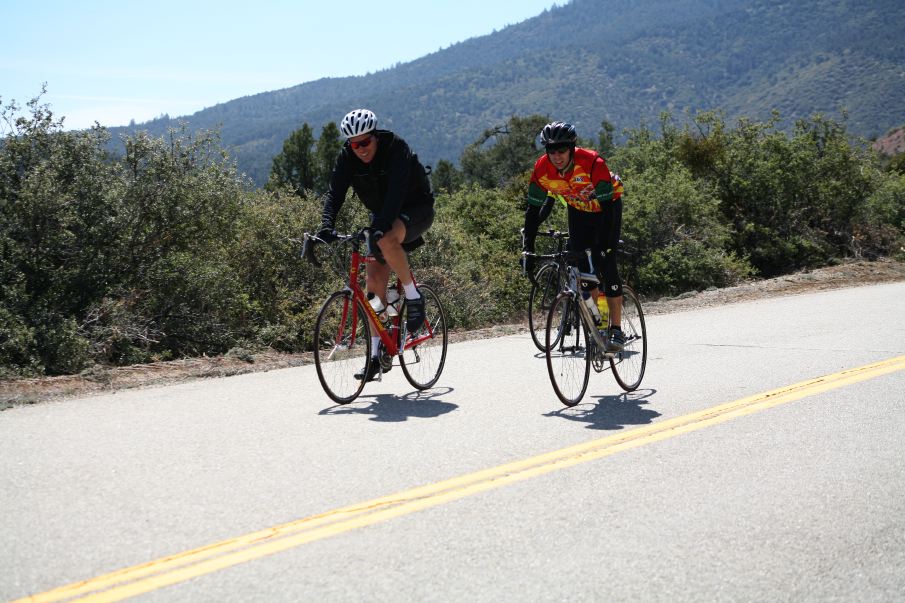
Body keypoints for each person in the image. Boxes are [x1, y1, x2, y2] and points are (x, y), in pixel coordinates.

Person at [318, 108, 435, 382]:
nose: (360, 149)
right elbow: (335, 194)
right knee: (374, 291)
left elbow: (395, 193)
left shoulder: (396, 148)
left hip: (416, 208)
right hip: (384, 216)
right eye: (354, 144)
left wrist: (380, 225)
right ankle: (374, 357)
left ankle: (413, 295)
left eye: (365, 142)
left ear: (375, 137)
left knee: (384, 238)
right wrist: (325, 227)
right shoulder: (348, 157)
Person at [521, 121, 626, 351]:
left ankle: (616, 330)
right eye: (551, 151)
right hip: (578, 211)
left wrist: (605, 246)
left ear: (571, 148)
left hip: (606, 209)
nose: (557, 156)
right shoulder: (541, 169)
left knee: (606, 265)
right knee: (584, 272)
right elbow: (532, 212)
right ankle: (597, 324)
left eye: (562, 151)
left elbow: (607, 208)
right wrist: (527, 248)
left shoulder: (592, 162)